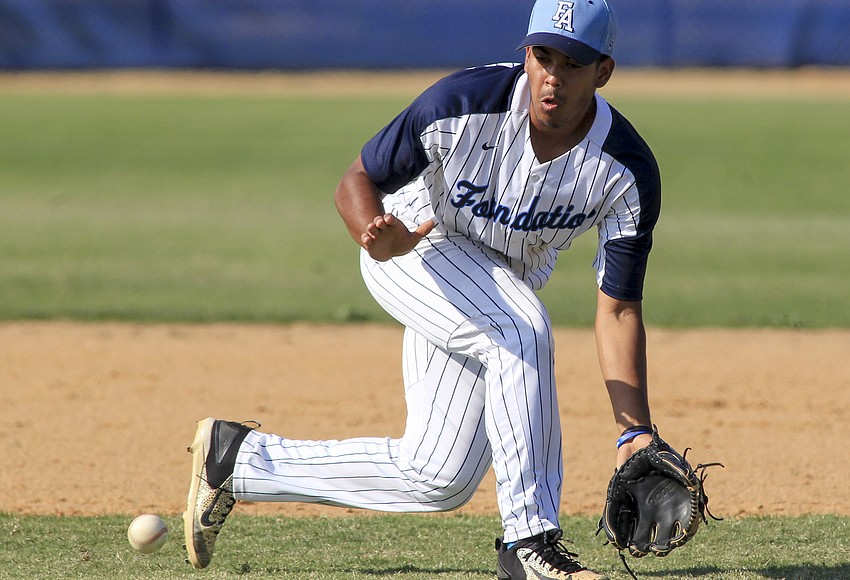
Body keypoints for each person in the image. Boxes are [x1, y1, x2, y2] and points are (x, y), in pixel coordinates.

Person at [183, 0, 660, 578]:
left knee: (439, 474)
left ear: (603, 72)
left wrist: (634, 430)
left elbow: (618, 309)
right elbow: (357, 178)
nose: (552, 75)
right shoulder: (461, 103)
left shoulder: (624, 168)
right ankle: (530, 544)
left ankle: (239, 462)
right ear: (526, 53)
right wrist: (372, 233)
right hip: (414, 250)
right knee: (522, 328)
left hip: (492, 290)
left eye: (573, 62)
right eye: (543, 55)